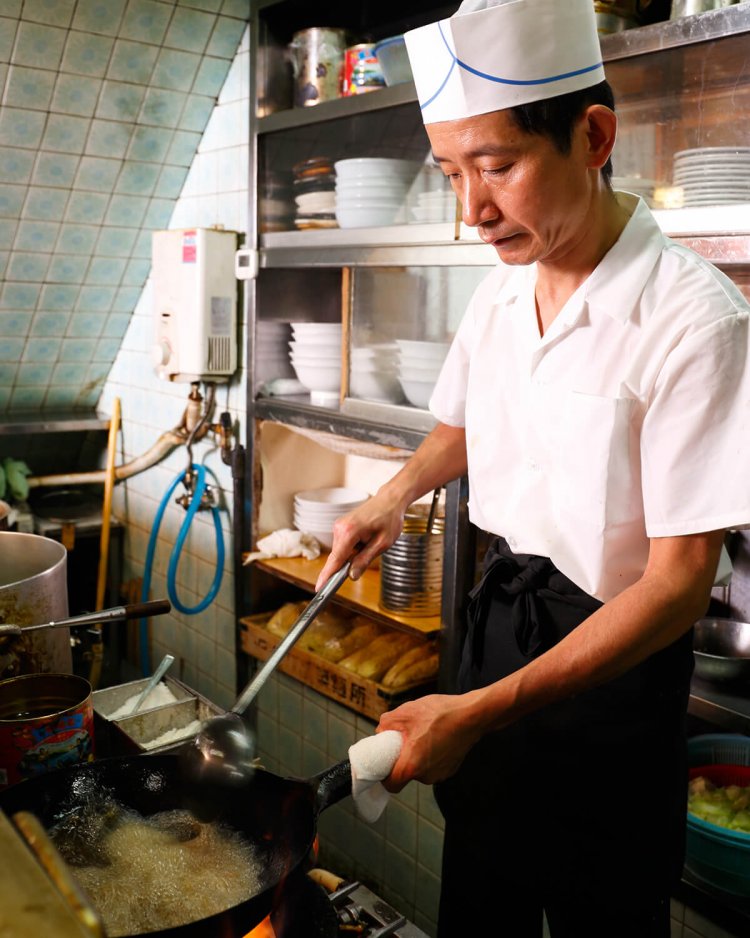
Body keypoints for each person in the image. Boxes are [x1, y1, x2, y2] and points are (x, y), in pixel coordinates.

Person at [316, 1, 750, 935]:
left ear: (593, 136)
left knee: (604, 913)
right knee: (482, 897)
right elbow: (465, 423)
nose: (471, 210)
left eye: (498, 166)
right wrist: (390, 496)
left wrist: (478, 712)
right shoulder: (507, 288)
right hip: (497, 624)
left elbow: (678, 586)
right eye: (450, 173)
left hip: (614, 669)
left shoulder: (692, 319)